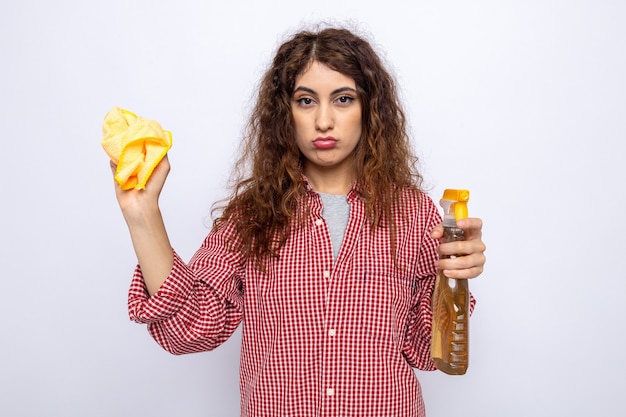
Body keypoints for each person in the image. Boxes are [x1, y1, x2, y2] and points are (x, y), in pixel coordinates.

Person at [110, 24, 486, 417]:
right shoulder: (251, 216)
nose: (324, 121)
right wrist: (143, 214)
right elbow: (188, 329)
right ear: (285, 114)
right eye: (306, 101)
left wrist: (455, 276)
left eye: (343, 99)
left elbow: (428, 351)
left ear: (369, 109)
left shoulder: (414, 214)